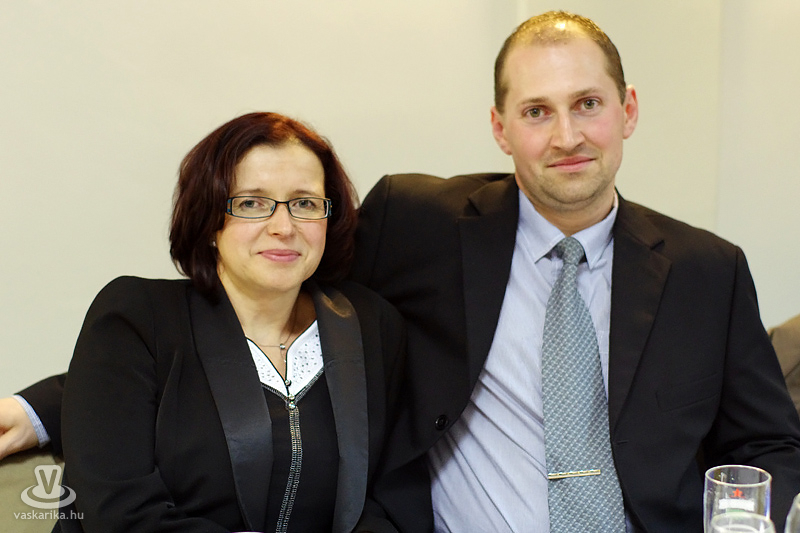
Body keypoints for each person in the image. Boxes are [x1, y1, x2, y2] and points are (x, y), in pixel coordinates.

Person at [3, 10, 800, 533]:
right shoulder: (421, 224)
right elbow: (261, 303)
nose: (566, 136)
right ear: (500, 128)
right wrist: (50, 405)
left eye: (588, 104)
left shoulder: (708, 270)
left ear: (628, 110)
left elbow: (770, 440)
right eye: (536, 111)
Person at [42, 112, 406, 533]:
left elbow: (386, 497)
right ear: (209, 219)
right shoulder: (136, 317)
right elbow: (119, 515)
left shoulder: (370, 325)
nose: (284, 227)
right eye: (251, 203)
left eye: (305, 203)